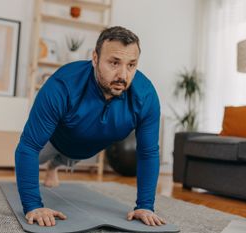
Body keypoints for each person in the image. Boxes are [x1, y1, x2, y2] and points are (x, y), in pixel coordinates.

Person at [15, 26, 166, 227]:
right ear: (95, 58)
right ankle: (52, 164)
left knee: (70, 158)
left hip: (90, 148)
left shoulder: (146, 96)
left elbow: (148, 153)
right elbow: (28, 147)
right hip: (54, 141)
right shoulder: (62, 85)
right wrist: (33, 205)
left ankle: (55, 167)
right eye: (114, 63)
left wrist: (145, 205)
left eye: (131, 65)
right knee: (38, 156)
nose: (123, 74)